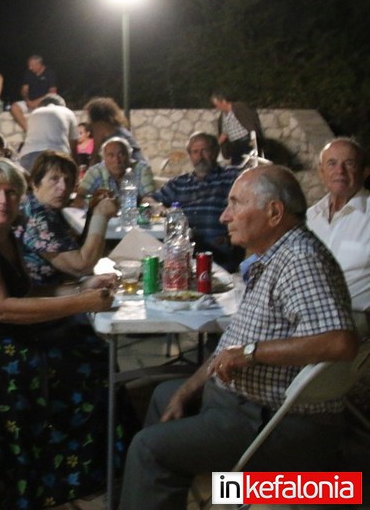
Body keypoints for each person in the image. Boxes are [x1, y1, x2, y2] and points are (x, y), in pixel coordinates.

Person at [119, 165, 359, 510]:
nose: (224, 216)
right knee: (165, 395)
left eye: (236, 204)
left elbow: (340, 342)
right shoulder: (274, 257)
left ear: (274, 213)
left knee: (148, 449)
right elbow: (230, 344)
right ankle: (165, 487)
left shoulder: (300, 259)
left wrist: (250, 352)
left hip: (276, 422)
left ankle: (193, 483)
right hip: (243, 404)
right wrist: (188, 390)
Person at [0, 158, 127, 508]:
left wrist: (81, 288)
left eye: (11, 192)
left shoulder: (5, 235)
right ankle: (67, 475)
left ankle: (88, 474)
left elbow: (28, 293)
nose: (3, 200)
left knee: (91, 346)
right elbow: (2, 308)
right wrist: (80, 303)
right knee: (88, 366)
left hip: (9, 338)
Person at [143, 132, 242, 271]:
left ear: (215, 152)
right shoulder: (179, 183)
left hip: (219, 253)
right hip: (184, 252)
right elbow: (148, 199)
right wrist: (159, 207)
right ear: (190, 155)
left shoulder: (230, 177)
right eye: (195, 152)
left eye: (204, 150)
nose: (200, 156)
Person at [16, 151, 118, 285]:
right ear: (35, 183)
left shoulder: (43, 207)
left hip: (60, 288)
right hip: (44, 294)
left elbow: (75, 249)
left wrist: (92, 211)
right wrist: (101, 216)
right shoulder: (37, 216)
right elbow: (81, 267)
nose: (63, 187)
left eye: (68, 180)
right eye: (54, 179)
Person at [306, 137, 370, 334]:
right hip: (304, 316)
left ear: (365, 171)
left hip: (352, 323)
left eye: (349, 163)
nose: (339, 171)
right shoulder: (309, 218)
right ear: (321, 171)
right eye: (332, 163)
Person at [77, 136, 155, 200]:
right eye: (111, 155)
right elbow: (80, 196)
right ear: (104, 158)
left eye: (121, 154)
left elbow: (149, 197)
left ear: (129, 155)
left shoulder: (142, 170)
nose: (117, 160)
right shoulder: (95, 171)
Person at [17, 93, 79, 172]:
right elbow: (74, 144)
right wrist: (76, 166)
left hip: (29, 155)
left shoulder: (34, 113)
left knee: (30, 179)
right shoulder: (68, 112)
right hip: (58, 155)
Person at [84, 96, 146, 164]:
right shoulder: (115, 125)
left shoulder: (99, 126)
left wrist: (88, 168)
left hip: (128, 161)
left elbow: (95, 153)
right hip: (138, 160)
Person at [211, 90, 264, 166]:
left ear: (223, 101)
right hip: (235, 145)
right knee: (236, 166)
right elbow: (225, 133)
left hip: (247, 142)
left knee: (249, 165)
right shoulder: (222, 117)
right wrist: (215, 145)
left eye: (217, 105)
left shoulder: (239, 108)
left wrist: (254, 139)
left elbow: (251, 121)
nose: (217, 108)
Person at [8, 54, 57, 132]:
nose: (30, 68)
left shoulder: (49, 73)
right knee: (14, 107)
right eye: (29, 65)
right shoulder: (28, 73)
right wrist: (28, 101)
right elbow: (24, 90)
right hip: (29, 102)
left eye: (32, 66)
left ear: (39, 64)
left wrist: (36, 102)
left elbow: (53, 93)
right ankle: (28, 130)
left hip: (44, 102)